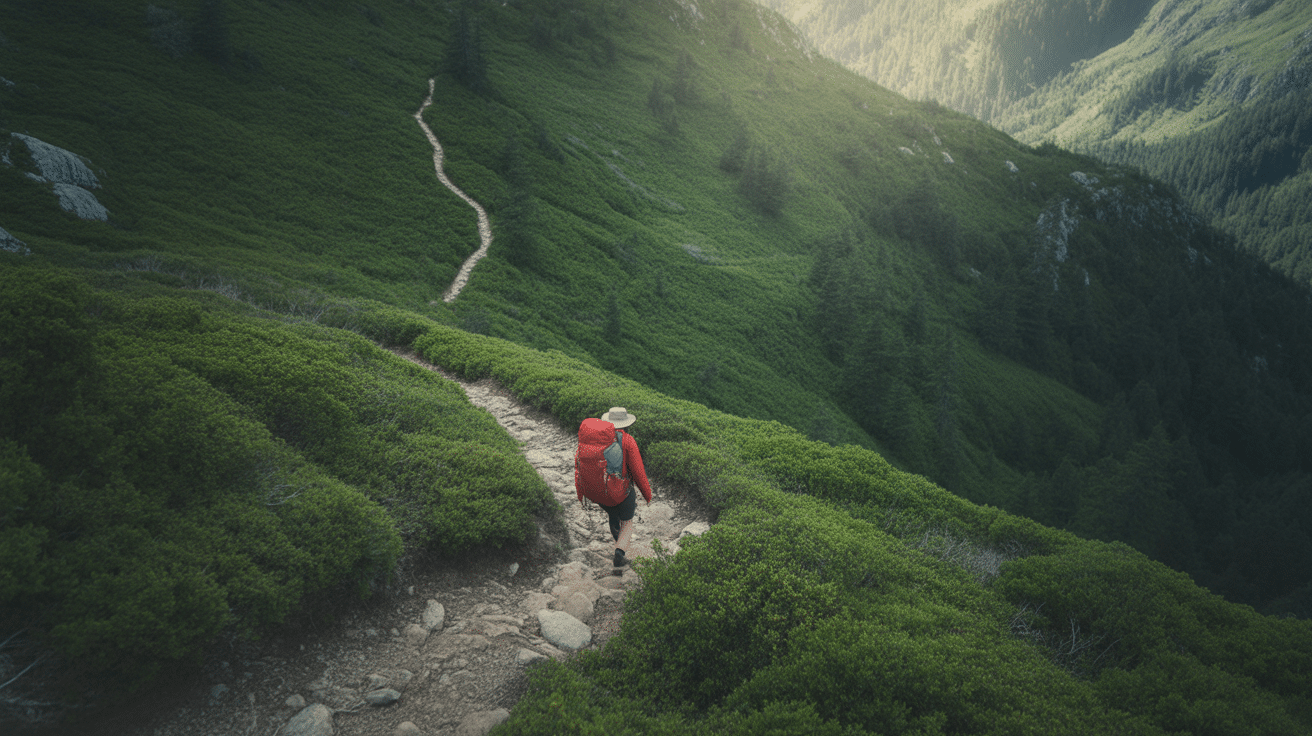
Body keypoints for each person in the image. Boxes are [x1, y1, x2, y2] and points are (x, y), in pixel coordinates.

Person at [580, 407, 652, 569]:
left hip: (599, 490)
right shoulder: (627, 440)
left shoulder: (595, 439)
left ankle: (617, 537)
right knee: (627, 522)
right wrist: (647, 495)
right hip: (620, 492)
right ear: (627, 424)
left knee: (613, 513)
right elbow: (638, 472)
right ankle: (620, 552)